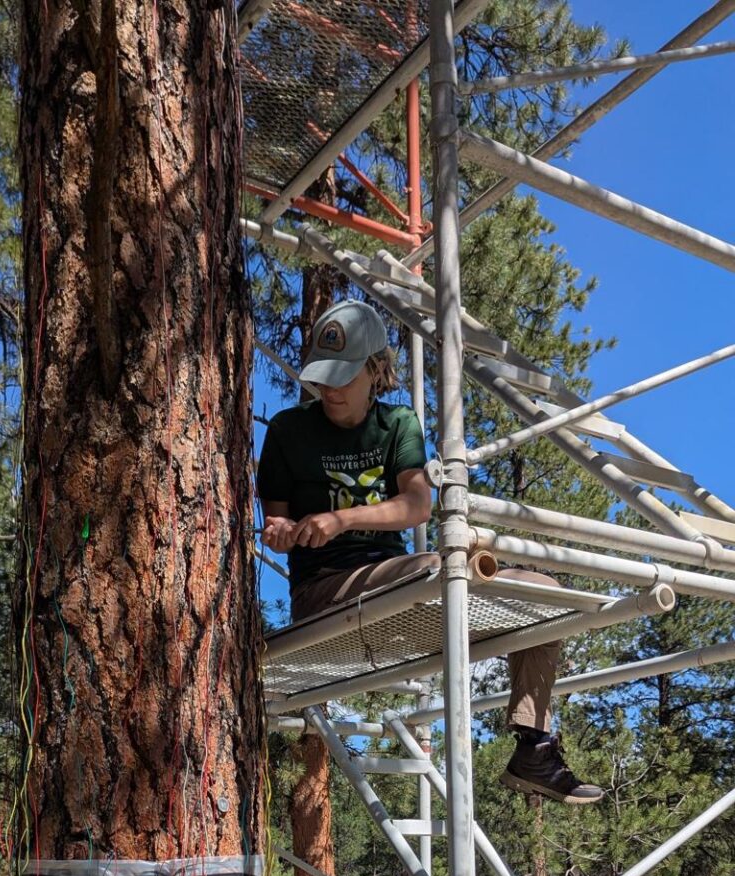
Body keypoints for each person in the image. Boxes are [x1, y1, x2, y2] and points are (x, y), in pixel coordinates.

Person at [258, 299, 602, 806]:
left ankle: (534, 746)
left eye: (344, 376)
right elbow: (275, 519)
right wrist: (283, 531)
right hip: (326, 594)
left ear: (376, 370)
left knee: (546, 595)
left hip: (398, 585)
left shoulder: (397, 424)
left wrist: (341, 518)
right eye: (322, 376)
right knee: (445, 570)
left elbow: (418, 504)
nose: (330, 389)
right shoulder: (289, 430)